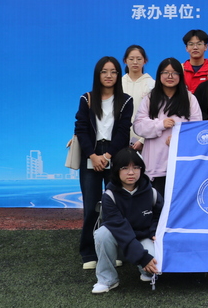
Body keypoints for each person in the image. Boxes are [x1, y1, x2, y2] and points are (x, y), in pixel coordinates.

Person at [74, 56, 133, 269]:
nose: (109, 76)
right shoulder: (87, 98)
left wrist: (107, 156)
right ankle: (89, 253)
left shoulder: (125, 100)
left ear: (119, 74)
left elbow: (123, 132)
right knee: (91, 207)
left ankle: (114, 251)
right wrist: (92, 155)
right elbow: (81, 128)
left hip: (115, 155)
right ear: (97, 74)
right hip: (90, 154)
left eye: (113, 72)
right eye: (104, 71)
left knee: (115, 206)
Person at [92, 148, 164, 294]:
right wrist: (143, 257)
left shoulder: (152, 193)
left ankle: (146, 272)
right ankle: (107, 280)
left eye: (136, 168)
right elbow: (120, 228)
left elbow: (160, 217)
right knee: (102, 234)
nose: (131, 173)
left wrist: (154, 232)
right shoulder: (109, 195)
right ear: (116, 170)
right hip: (119, 240)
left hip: (143, 237)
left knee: (154, 269)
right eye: (125, 168)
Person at [134, 57, 202, 196]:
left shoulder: (189, 98)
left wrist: (179, 138)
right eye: (165, 72)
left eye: (174, 73)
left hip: (181, 164)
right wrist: (160, 124)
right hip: (155, 165)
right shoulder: (150, 98)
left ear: (180, 76)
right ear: (159, 75)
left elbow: (197, 128)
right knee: (156, 204)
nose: (170, 76)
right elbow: (138, 126)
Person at [122, 45, 155, 152]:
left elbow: (155, 114)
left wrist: (142, 140)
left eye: (139, 59)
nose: (135, 62)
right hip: (120, 139)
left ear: (145, 61)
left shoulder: (152, 85)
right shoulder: (119, 84)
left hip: (145, 140)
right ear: (125, 61)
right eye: (131, 59)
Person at [182, 29, 208, 93]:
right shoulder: (180, 69)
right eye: (191, 44)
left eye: (199, 44)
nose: (195, 47)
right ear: (186, 48)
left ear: (206, 47)